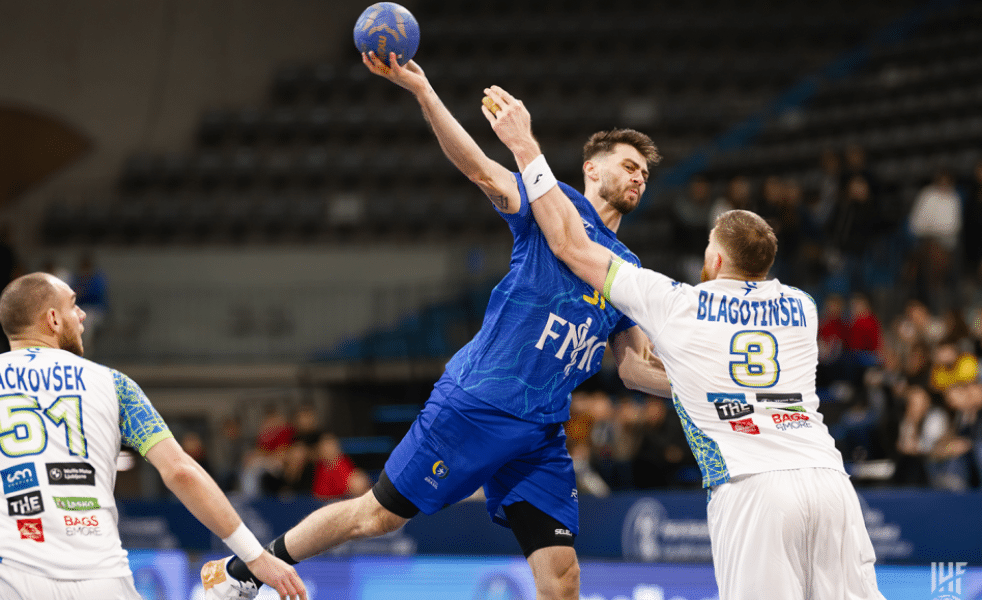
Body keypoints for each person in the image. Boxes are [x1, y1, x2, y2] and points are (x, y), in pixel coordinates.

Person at [203, 52, 671, 600]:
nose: (638, 175)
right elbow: (478, 167)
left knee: (562, 577)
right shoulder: (554, 204)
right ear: (592, 168)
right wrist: (425, 93)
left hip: (539, 433)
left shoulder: (630, 270)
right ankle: (242, 573)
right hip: (477, 404)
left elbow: (636, 368)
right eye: (627, 164)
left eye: (645, 171)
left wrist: (703, 382)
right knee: (376, 517)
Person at [480, 86, 886, 599]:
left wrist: (525, 148)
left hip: (751, 486)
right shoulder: (802, 308)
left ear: (715, 261)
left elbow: (568, 244)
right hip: (829, 480)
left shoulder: (680, 302)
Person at [0, 273, 307, 600]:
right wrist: (255, 556)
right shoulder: (114, 385)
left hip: (12, 575)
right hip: (100, 577)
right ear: (53, 319)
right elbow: (179, 470)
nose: (83, 314)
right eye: (74, 305)